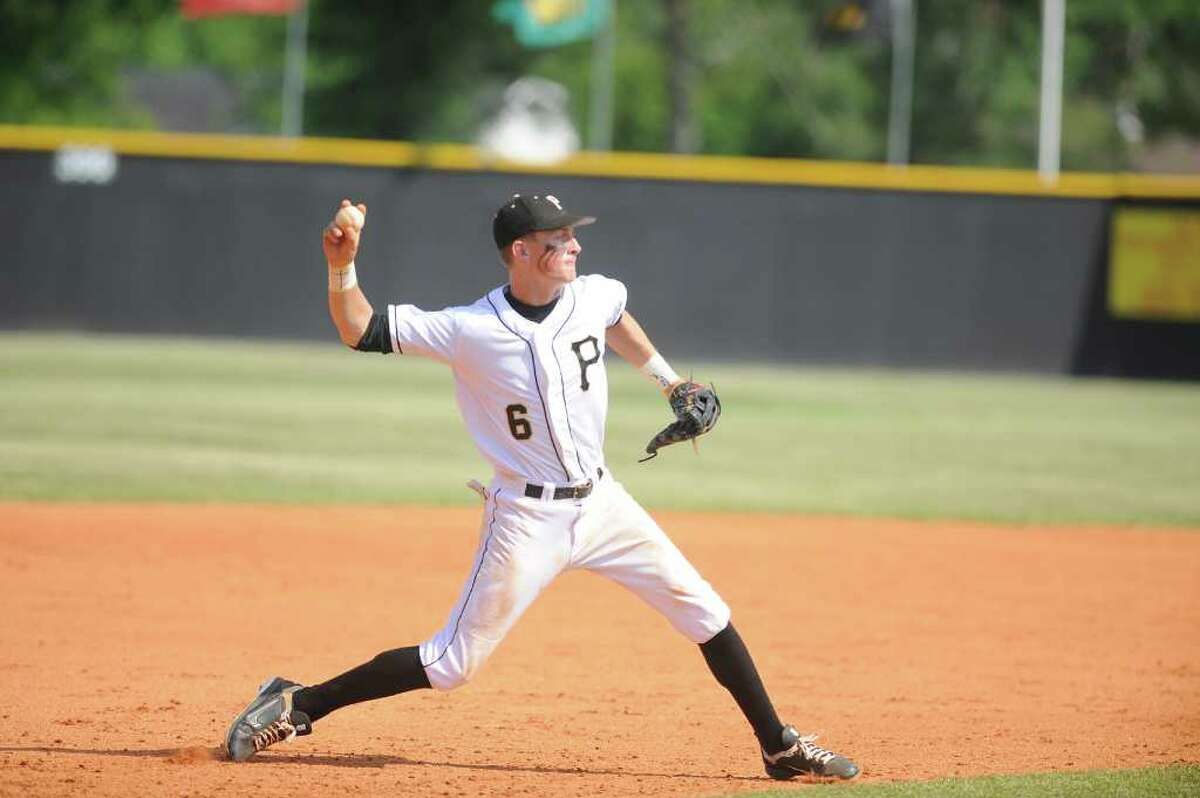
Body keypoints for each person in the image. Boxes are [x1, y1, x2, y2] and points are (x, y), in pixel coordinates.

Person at [223, 193, 859, 781]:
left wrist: (669, 382)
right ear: (520, 252)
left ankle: (779, 746)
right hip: (526, 518)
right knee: (451, 666)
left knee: (706, 611)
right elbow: (358, 327)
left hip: (604, 503)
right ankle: (298, 702)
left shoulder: (592, 293)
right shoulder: (471, 328)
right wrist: (343, 267)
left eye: (572, 235)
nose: (574, 246)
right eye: (557, 238)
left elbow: (617, 318)